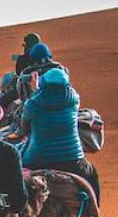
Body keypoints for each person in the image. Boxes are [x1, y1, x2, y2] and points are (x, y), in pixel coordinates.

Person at [19, 52, 100, 204]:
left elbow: (24, 128)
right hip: (72, 158)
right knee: (91, 173)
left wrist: (35, 89)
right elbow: (54, 100)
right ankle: (95, 211)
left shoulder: (32, 104)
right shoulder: (73, 99)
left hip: (36, 159)